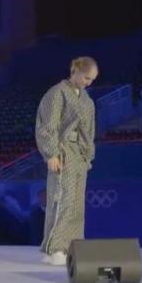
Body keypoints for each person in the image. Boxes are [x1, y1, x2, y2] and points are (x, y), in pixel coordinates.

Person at [35, 56, 98, 266]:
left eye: (92, 79)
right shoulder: (57, 93)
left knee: (77, 204)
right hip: (62, 151)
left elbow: (89, 131)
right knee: (62, 200)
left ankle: (72, 246)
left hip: (79, 154)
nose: (89, 82)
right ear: (76, 72)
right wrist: (51, 153)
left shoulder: (87, 100)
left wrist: (88, 155)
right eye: (87, 77)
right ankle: (55, 248)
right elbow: (47, 126)